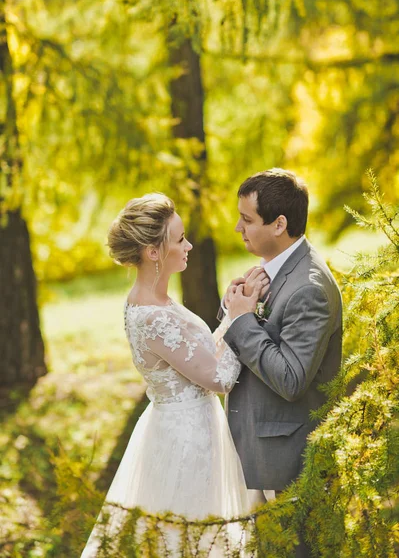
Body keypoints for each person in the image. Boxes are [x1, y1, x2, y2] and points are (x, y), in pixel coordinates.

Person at [80, 193, 268, 557]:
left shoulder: (155, 299)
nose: (189, 245)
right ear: (153, 252)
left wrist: (231, 312)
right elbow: (219, 378)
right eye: (180, 239)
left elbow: (195, 357)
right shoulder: (153, 316)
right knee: (190, 536)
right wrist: (243, 318)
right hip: (187, 440)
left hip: (184, 425)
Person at [219, 168, 343, 557]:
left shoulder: (307, 288)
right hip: (261, 452)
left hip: (290, 462)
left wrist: (242, 320)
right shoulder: (274, 273)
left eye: (247, 219)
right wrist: (235, 307)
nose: (238, 227)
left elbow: (291, 378)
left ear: (279, 224)